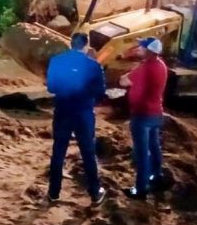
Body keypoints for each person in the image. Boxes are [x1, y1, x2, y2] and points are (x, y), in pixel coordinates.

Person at [46, 32, 108, 206]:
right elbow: (101, 93)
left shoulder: (57, 61)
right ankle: (95, 193)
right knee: (88, 153)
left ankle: (53, 193)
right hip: (83, 113)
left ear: (70, 44)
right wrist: (88, 99)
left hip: (63, 111)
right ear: (86, 46)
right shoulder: (94, 66)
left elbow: (51, 87)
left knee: (58, 152)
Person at [120, 37, 169, 200]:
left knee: (141, 153)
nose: (138, 49)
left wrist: (128, 73)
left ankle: (141, 189)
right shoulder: (161, 65)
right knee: (154, 147)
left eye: (141, 47)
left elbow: (123, 81)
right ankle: (157, 177)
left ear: (149, 51)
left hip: (142, 115)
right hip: (156, 113)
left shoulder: (145, 68)